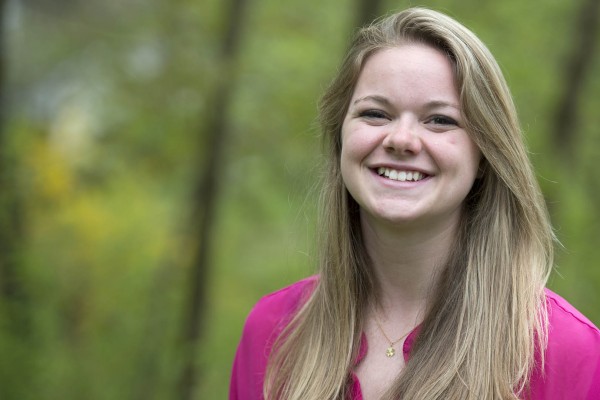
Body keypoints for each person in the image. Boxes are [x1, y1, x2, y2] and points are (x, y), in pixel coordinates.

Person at [229, 7, 600, 400]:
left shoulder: (568, 352)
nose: (401, 139)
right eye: (375, 113)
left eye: (439, 120)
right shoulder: (273, 331)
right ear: (340, 140)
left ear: (485, 157)